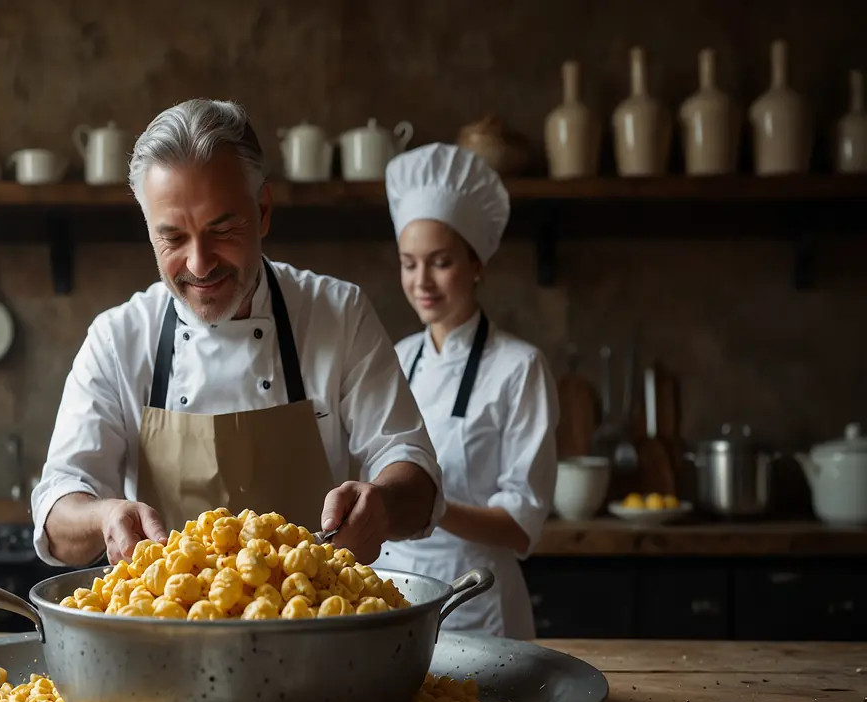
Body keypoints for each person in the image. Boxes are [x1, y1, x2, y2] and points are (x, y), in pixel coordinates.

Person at [32, 99, 444, 568]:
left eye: (222, 229)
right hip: (162, 634)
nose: (199, 263)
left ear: (263, 210)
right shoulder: (117, 339)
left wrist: (383, 504)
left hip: (315, 627)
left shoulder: (338, 314)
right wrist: (103, 515)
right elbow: (57, 513)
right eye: (173, 238)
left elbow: (416, 476)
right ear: (149, 231)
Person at [376, 143, 559, 639]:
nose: (421, 282)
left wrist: (424, 507)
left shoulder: (519, 368)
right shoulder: (396, 356)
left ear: (476, 264)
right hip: (392, 596)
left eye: (440, 262)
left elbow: (522, 526)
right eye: (409, 263)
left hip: (477, 602)